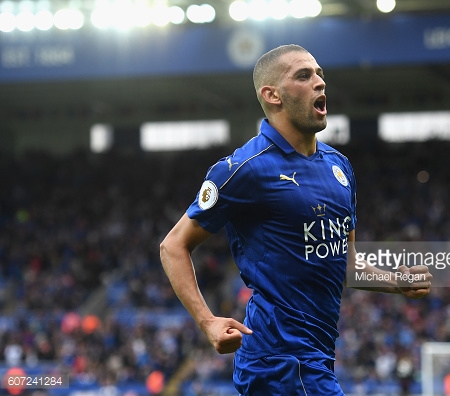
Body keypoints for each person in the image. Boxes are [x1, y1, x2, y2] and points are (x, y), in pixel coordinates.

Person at [159, 44, 432, 395]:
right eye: (304, 76)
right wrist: (207, 321)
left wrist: (397, 282)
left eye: (320, 74)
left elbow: (344, 264)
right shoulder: (245, 168)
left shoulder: (339, 167)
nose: (319, 82)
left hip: (314, 357)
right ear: (272, 95)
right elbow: (173, 246)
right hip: (280, 360)